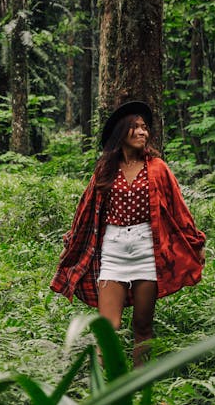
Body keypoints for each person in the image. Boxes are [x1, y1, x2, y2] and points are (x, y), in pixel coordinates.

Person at [50, 100, 206, 366]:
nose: (142, 132)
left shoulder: (158, 168)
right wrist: (71, 242)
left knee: (143, 325)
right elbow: (86, 209)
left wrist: (196, 242)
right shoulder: (105, 169)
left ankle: (138, 388)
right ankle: (102, 389)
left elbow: (178, 207)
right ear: (122, 132)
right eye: (135, 127)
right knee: (108, 325)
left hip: (147, 249)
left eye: (144, 128)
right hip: (113, 250)